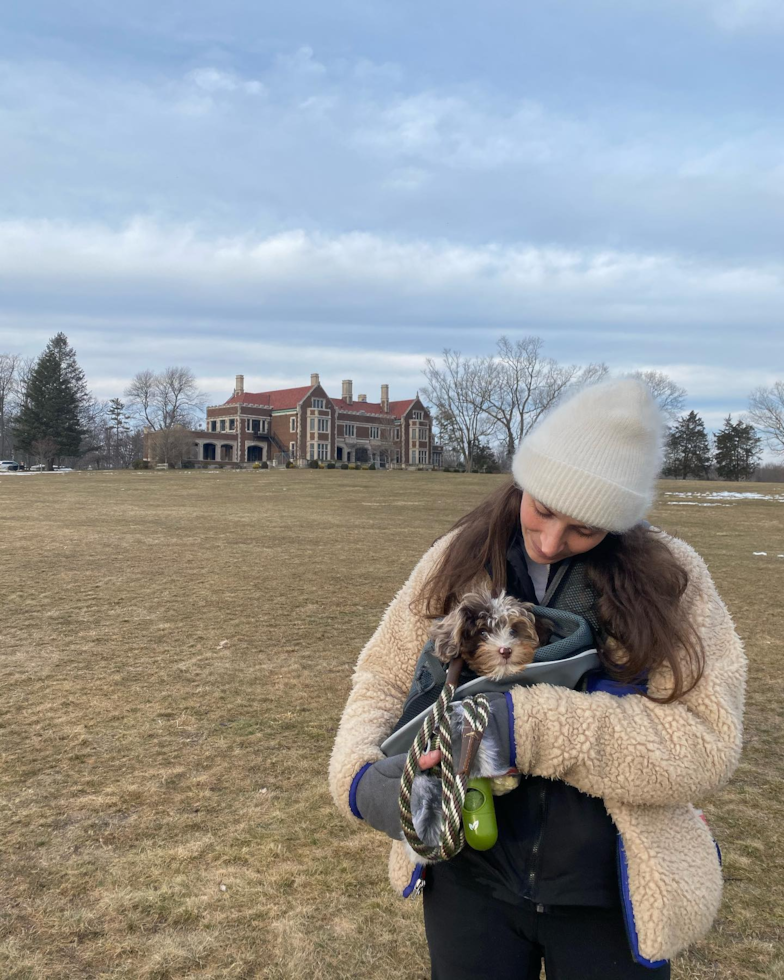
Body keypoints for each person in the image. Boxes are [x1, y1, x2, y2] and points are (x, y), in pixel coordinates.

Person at [328, 379, 746, 979]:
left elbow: (707, 744)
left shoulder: (675, 583)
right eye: (542, 508)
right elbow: (382, 678)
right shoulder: (455, 557)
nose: (551, 541)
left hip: (610, 897)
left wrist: (528, 726)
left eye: (585, 528)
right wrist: (360, 777)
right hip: (467, 882)